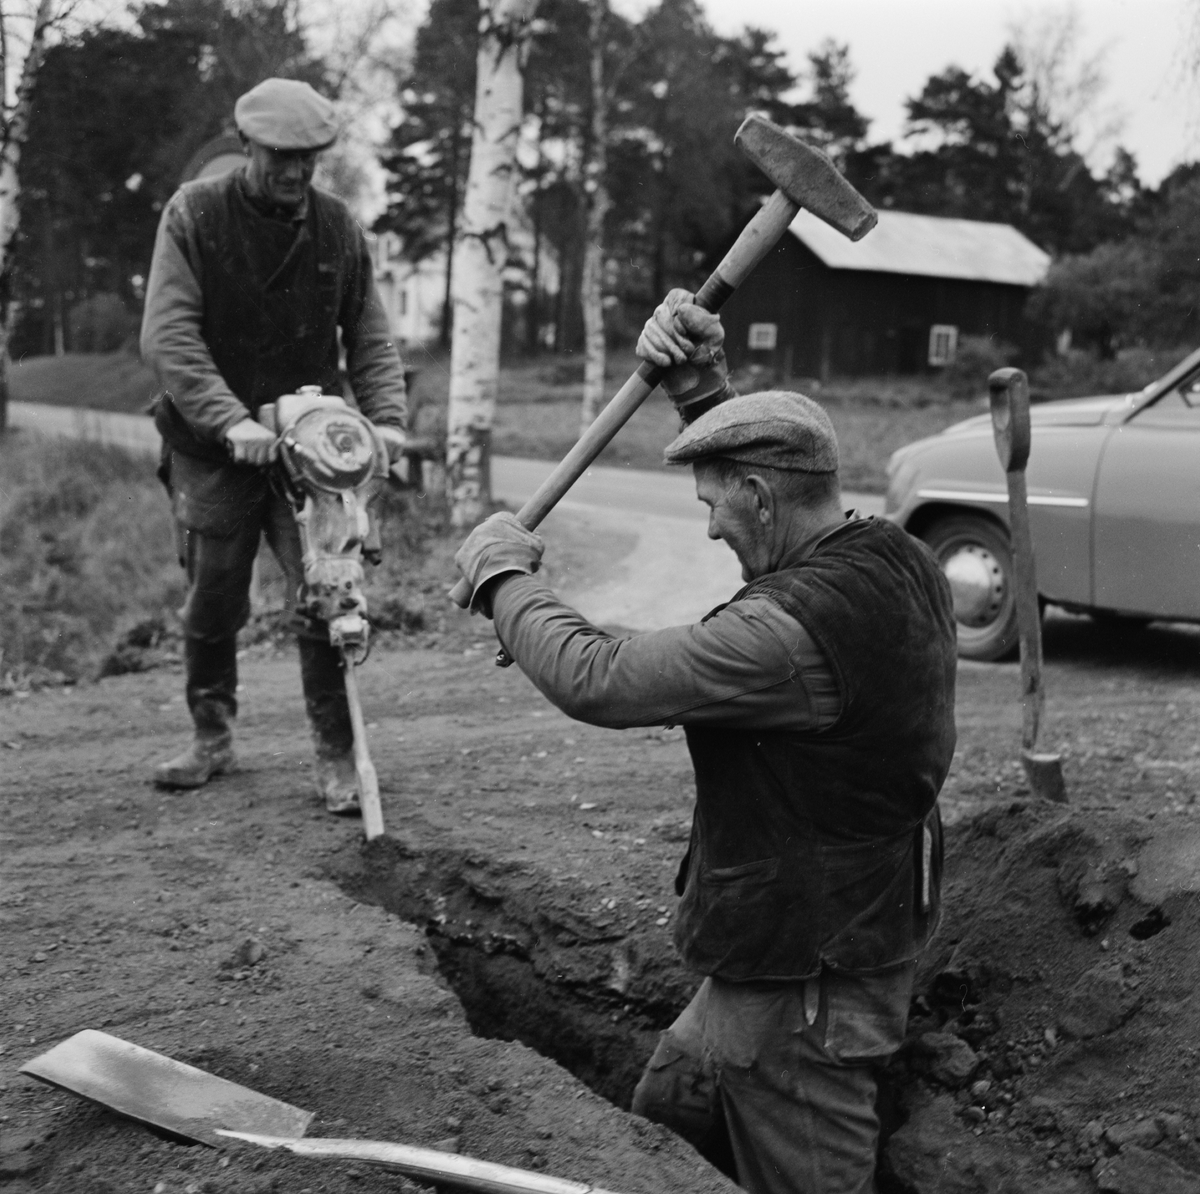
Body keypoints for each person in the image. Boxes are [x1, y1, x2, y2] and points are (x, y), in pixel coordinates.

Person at [453, 291, 957, 1194]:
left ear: (759, 497)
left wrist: (503, 578)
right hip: (801, 937)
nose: (710, 524)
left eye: (715, 501)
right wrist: (702, 389)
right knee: (664, 1119)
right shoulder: (893, 554)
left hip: (808, 989)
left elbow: (598, 678)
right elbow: (757, 468)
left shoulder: (785, 638)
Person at [141, 77, 409, 814]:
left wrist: (385, 423)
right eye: (280, 158)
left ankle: (334, 757)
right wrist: (232, 421)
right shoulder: (194, 214)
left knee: (329, 592)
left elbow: (371, 338)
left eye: (309, 160)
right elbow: (169, 335)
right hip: (212, 443)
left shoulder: (336, 228)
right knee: (213, 597)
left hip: (309, 450)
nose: (294, 174)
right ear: (248, 145)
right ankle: (211, 737)